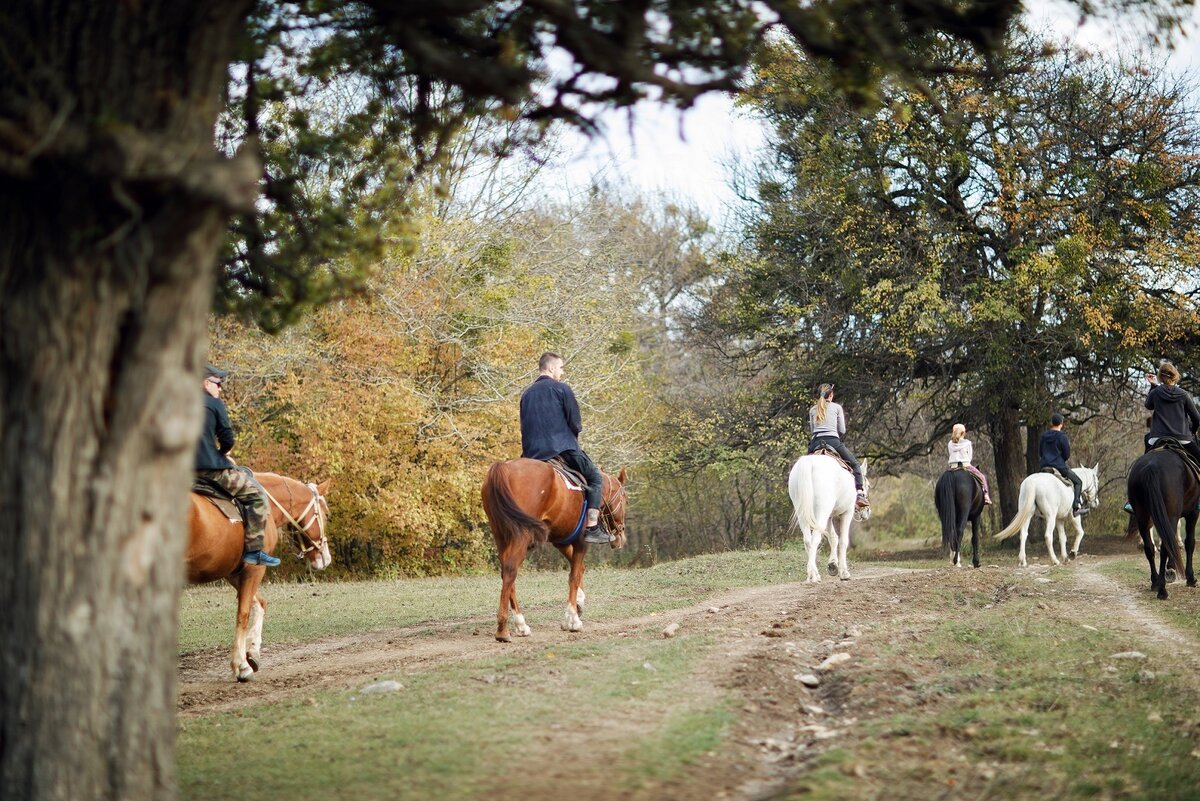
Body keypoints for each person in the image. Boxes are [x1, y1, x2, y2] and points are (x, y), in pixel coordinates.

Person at [519, 352, 612, 544]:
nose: (562, 372)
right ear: (551, 368)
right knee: (595, 477)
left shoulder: (526, 394)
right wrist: (571, 439)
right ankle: (593, 527)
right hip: (562, 449)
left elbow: (524, 426)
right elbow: (575, 423)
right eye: (561, 368)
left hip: (531, 455)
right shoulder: (562, 389)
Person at [195, 364, 279, 567]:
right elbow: (227, 439)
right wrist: (223, 454)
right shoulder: (213, 404)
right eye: (218, 383)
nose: (220, 388)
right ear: (206, 383)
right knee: (256, 497)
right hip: (209, 471)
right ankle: (254, 551)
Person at [1124, 361, 1200, 512]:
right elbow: (1197, 418)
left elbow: (1148, 405)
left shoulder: (1156, 393)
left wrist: (1153, 386)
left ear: (1160, 376)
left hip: (1157, 438)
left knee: (1145, 461)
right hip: (1182, 439)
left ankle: (1132, 502)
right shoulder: (1184, 395)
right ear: (1175, 376)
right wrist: (1193, 430)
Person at [807, 383, 868, 508]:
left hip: (815, 443)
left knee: (806, 468)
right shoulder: (836, 407)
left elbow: (813, 431)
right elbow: (842, 430)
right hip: (833, 441)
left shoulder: (812, 410)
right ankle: (860, 493)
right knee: (855, 464)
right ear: (831, 395)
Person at [1038, 413, 1084, 516]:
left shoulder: (1043, 436)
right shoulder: (1062, 437)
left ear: (1051, 423)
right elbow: (1067, 454)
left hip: (1044, 467)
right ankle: (1076, 507)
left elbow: (1040, 452)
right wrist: (1060, 460)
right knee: (1078, 482)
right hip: (1059, 467)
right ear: (1061, 424)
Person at [948, 423, 992, 505]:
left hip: (952, 467)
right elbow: (969, 457)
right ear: (963, 433)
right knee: (982, 477)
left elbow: (950, 454)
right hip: (965, 465)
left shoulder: (950, 444)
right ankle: (986, 496)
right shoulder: (967, 443)